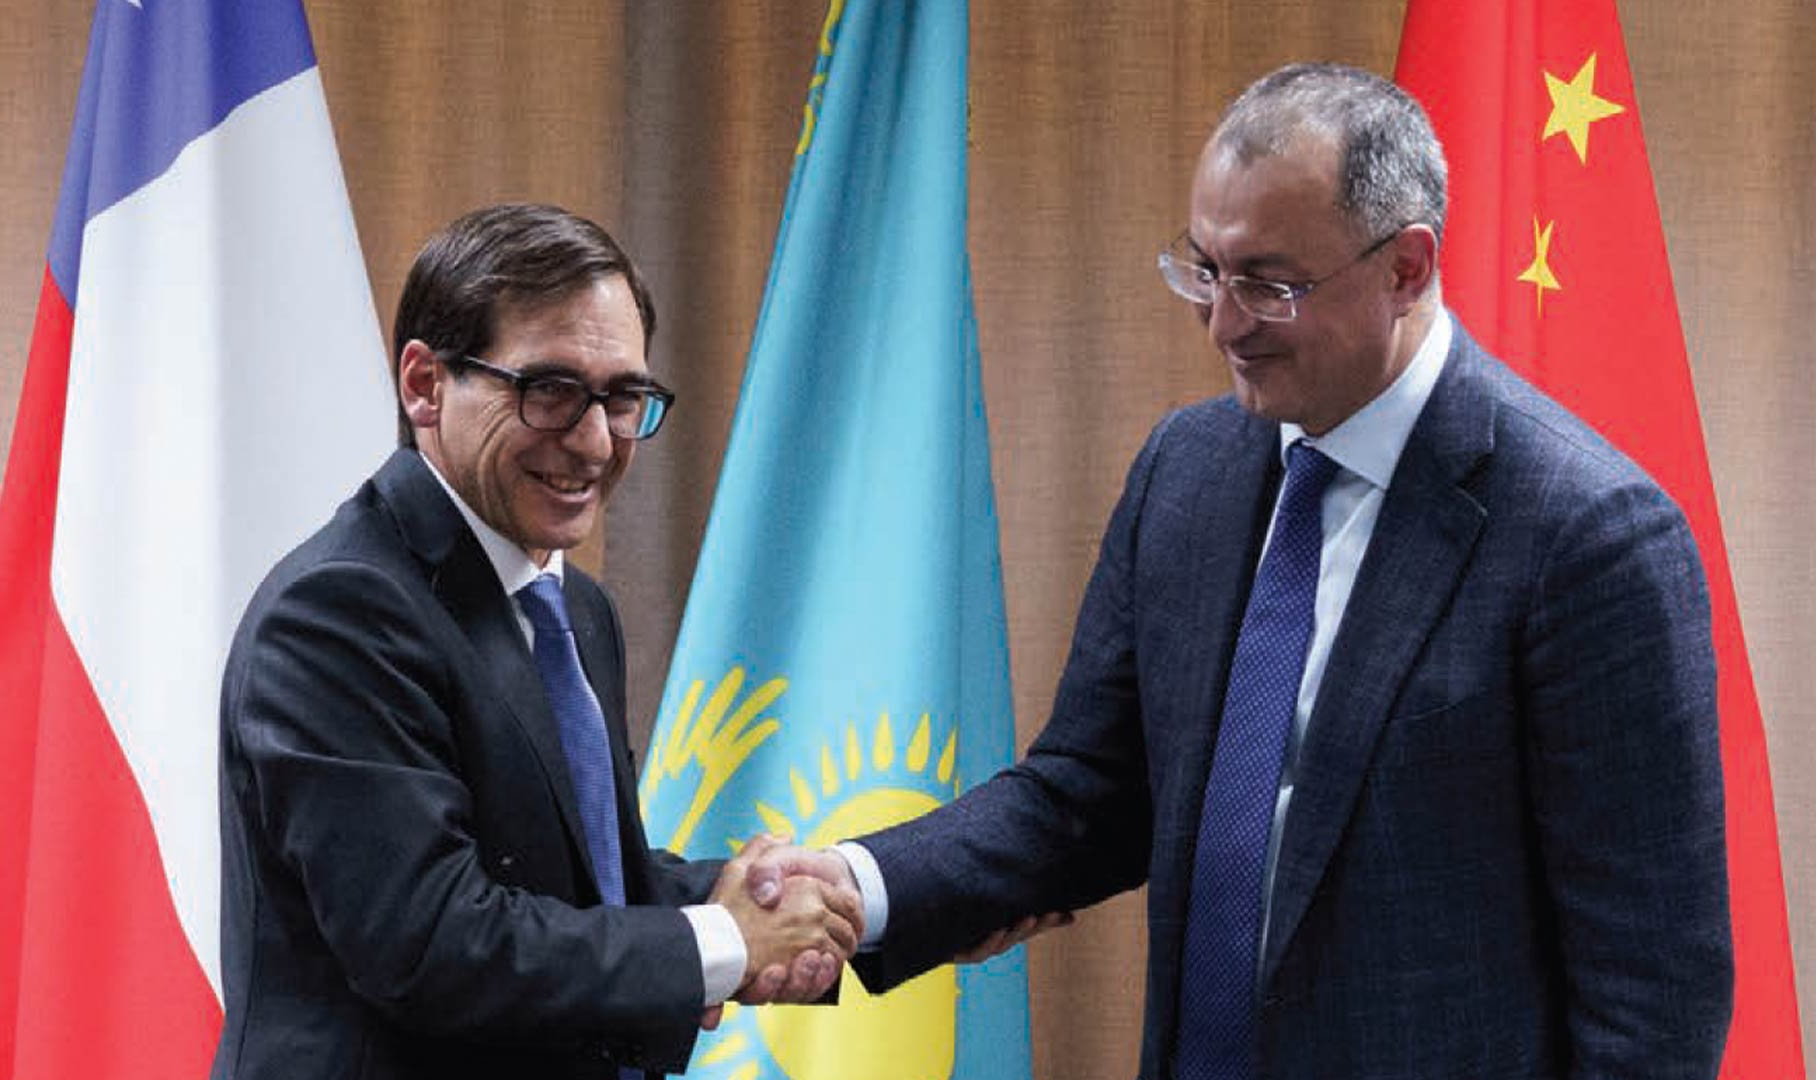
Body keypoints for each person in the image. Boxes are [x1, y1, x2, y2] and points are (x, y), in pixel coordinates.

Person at [750, 63, 1734, 1079]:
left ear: (1406, 268)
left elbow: (1652, 995)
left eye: (1270, 283)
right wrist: (856, 886)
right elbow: (1085, 794)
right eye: (1205, 270)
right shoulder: (1188, 470)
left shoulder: (1589, 536)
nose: (1223, 324)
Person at [210, 203, 857, 1080]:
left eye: (623, 397)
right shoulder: (336, 612)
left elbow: (580, 886)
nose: (593, 441)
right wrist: (723, 938)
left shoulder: (575, 609)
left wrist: (768, 899)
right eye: (550, 391)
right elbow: (436, 942)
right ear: (424, 385)